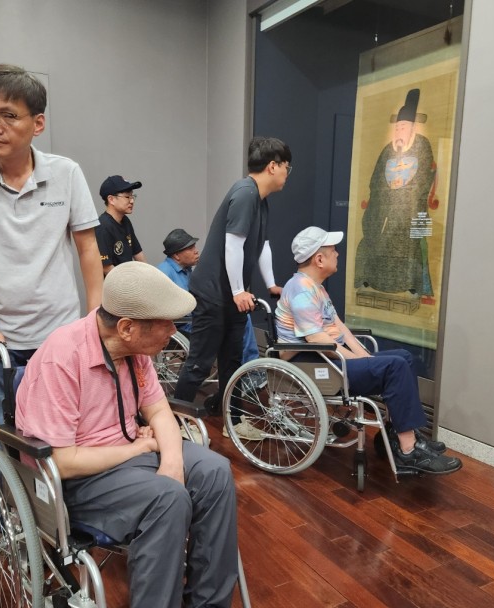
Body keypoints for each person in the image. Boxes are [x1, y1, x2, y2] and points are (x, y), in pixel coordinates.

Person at [15, 262, 238, 608]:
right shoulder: (62, 358)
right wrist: (140, 448)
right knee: (168, 498)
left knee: (215, 471)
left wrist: (172, 463)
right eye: (165, 323)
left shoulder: (134, 353)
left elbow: (160, 412)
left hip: (128, 457)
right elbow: (63, 462)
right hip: (78, 481)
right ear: (127, 327)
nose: (174, 331)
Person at [0, 64, 102, 448]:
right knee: (3, 439)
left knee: (61, 437)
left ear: (37, 123)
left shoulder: (66, 173)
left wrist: (95, 317)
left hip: (59, 334)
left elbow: (88, 248)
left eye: (8, 116)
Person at [276, 226, 462, 475]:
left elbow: (339, 328)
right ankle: (408, 451)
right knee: (395, 366)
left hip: (328, 358)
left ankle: (395, 435)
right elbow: (316, 338)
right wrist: (356, 361)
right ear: (319, 259)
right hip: (314, 363)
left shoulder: (315, 287)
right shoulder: (300, 289)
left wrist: (364, 356)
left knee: (404, 358)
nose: (337, 254)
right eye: (333, 250)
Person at [174, 138, 290, 441]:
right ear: (273, 166)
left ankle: (234, 422)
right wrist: (238, 290)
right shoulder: (245, 193)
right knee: (199, 363)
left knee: (232, 363)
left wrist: (270, 283)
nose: (287, 174)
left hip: (234, 297)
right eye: (286, 167)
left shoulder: (261, 200)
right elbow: (233, 243)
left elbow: (262, 244)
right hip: (213, 293)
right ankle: (177, 424)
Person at [353, 88, 435, 298]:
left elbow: (424, 179)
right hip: (384, 208)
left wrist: (403, 189)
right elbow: (375, 180)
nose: (399, 132)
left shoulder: (422, 145)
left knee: (409, 245)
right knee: (371, 238)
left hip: (410, 211)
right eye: (397, 128)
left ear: (412, 128)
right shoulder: (387, 150)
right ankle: (371, 279)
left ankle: (411, 285)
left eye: (403, 128)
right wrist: (388, 192)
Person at [157, 228, 260, 361]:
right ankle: (251, 366)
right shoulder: (164, 273)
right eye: (190, 248)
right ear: (177, 255)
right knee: (239, 320)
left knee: (241, 316)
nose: (196, 251)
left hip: (197, 318)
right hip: (184, 325)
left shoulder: (187, 270)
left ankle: (246, 364)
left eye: (194, 246)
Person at [95, 175, 145, 275]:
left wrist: (149, 276)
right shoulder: (102, 226)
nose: (132, 201)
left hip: (128, 279)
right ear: (111, 199)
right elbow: (106, 267)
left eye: (132, 196)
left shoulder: (125, 221)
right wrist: (128, 281)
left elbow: (138, 253)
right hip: (114, 283)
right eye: (127, 197)